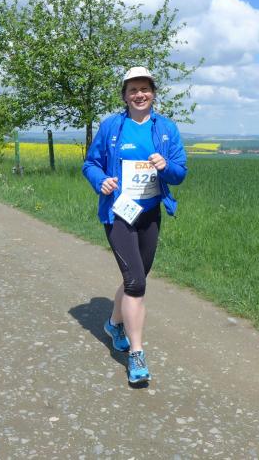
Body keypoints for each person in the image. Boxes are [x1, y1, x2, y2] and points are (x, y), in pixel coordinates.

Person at [82, 66, 187, 384]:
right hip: (119, 213)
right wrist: (101, 181)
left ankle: (113, 325)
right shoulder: (112, 127)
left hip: (150, 214)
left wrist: (166, 166)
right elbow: (90, 164)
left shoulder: (165, 128)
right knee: (136, 283)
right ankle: (137, 354)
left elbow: (180, 173)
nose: (139, 94)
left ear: (153, 93)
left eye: (145, 89)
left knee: (135, 278)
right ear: (125, 96)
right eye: (133, 90)